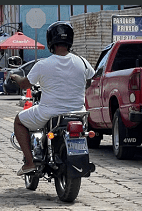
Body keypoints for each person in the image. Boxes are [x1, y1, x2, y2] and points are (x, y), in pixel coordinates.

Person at [10, 21, 95, 175]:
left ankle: (29, 163)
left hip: (49, 113)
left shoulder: (43, 65)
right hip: (78, 114)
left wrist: (15, 76)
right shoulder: (83, 62)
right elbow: (89, 81)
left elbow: (24, 85)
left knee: (18, 121)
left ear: (51, 41)